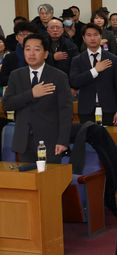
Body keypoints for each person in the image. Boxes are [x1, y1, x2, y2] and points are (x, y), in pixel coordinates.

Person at [2, 33, 72, 164]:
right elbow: (7, 104)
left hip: (50, 142)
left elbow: (65, 112)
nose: (31, 53)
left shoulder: (58, 76)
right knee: (27, 182)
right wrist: (31, 94)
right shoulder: (16, 75)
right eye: (27, 49)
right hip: (23, 141)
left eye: (36, 49)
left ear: (45, 54)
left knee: (49, 181)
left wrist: (63, 141)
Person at [70, 23, 117, 126]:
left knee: (108, 139)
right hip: (86, 109)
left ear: (101, 36)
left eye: (95, 35)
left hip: (109, 109)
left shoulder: (113, 59)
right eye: (89, 35)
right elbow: (74, 81)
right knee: (87, 138)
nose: (92, 38)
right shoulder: (77, 60)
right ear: (83, 38)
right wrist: (95, 70)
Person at [0, 22, 38, 87]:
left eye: (29, 34)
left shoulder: (42, 54)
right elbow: (2, 80)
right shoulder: (10, 57)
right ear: (16, 37)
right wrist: (19, 78)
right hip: (17, 92)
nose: (26, 37)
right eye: (22, 34)